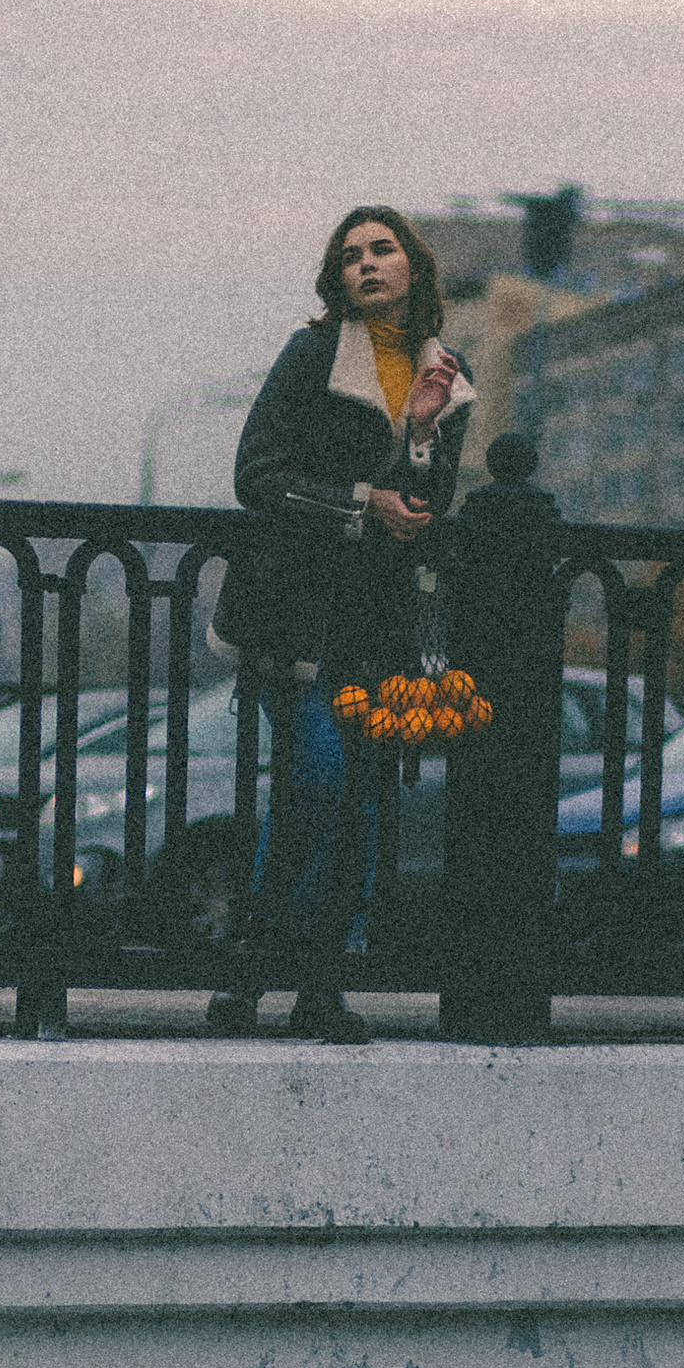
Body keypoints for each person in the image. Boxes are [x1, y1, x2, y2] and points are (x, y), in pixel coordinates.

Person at [206, 207, 475, 1041]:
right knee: (317, 785)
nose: (367, 264)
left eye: (382, 250)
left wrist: (422, 433)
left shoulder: (447, 376)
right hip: (295, 616)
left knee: (357, 804)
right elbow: (256, 473)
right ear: (338, 279)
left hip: (379, 625)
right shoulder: (313, 353)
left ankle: (315, 989)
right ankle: (255, 973)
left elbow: (429, 507)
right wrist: (361, 504)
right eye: (351, 255)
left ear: (413, 267)